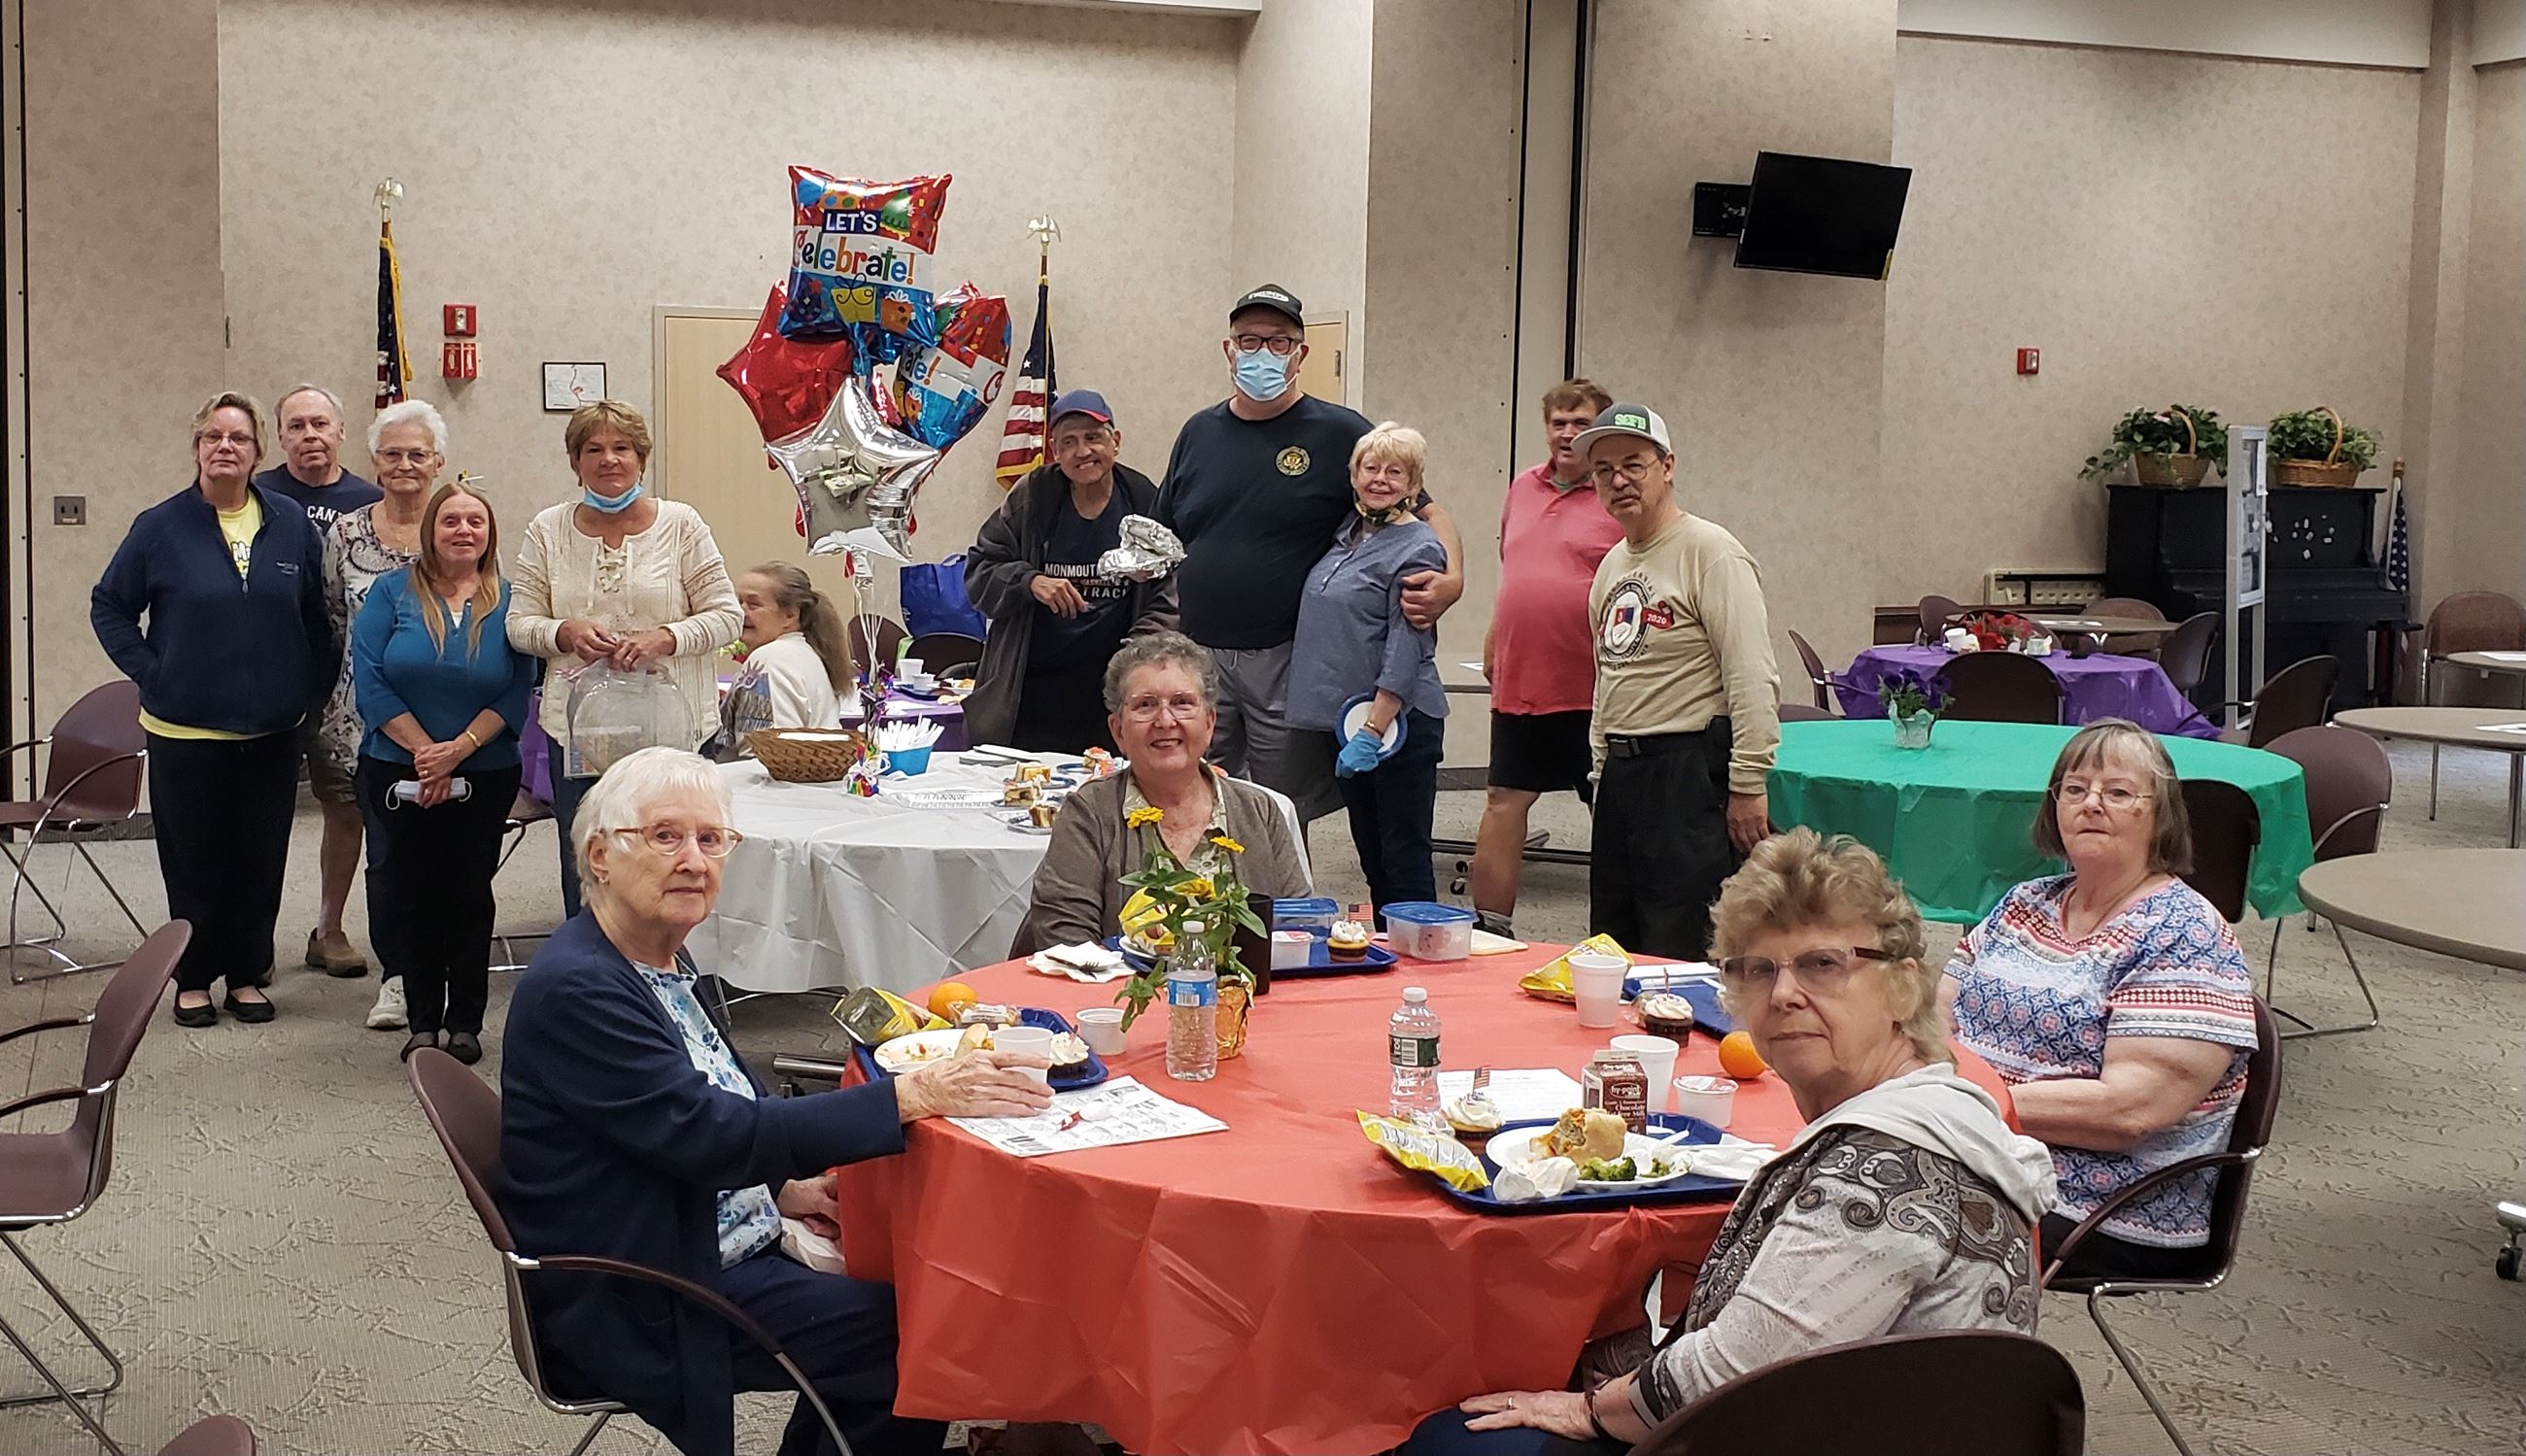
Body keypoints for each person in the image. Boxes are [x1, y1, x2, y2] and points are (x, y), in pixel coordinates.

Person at [1407, 830, 2055, 1454]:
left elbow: (1729, 1371)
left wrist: (1585, 1407)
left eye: (1823, 964)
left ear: (1903, 984)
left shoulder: (1888, 1168)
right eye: (1757, 969)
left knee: (1449, 1436)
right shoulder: (1943, 1117)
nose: (1784, 992)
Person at [500, 746, 1053, 1456]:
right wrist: (909, 1094)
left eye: (711, 839)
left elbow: (696, 1107)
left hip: (692, 1227)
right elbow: (710, 1133)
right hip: (648, 1286)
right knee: (924, 1333)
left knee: (922, 1277)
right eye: (665, 836)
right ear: (600, 853)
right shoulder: (581, 988)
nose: (694, 859)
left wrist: (781, 1187)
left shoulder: (650, 954)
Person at [1942, 719, 2262, 1280]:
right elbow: (1933, 1017)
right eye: (2074, 788)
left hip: (2106, 1200)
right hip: (1977, 1149)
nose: (2091, 803)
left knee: (1884, 1218)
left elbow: (2128, 1112)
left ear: (2159, 814)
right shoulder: (2025, 903)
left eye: (2117, 792)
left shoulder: (2183, 935)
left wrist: (1956, 1106)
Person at [1155, 283, 1464, 822]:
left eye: (1278, 343)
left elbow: (1429, 512)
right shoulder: (1198, 432)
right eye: (1248, 341)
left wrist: (1452, 580)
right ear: (1228, 351)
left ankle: (1282, 908)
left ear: (1302, 353)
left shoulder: (1340, 432)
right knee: (1194, 795)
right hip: (1200, 653)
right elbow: (1163, 533)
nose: (1261, 354)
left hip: (1286, 656)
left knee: (1282, 808)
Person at [91, 391, 330, 1027]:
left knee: (260, 854)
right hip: (184, 727)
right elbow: (109, 606)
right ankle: (193, 977)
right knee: (194, 856)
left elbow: (315, 615)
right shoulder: (159, 526)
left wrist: (308, 686)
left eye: (240, 438)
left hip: (274, 729)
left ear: (257, 452)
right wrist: (153, 672)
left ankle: (248, 973)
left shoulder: (288, 523)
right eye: (213, 437)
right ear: (197, 448)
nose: (226, 446)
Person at [508, 400, 740, 919]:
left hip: (672, 732)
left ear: (641, 459)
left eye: (622, 449)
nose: (609, 459)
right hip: (579, 737)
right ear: (575, 463)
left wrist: (667, 637)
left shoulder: (682, 525)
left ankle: (667, 975)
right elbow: (519, 624)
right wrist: (562, 631)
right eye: (594, 449)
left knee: (669, 860)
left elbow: (727, 616)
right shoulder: (547, 530)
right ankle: (590, 978)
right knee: (592, 862)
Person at [1578, 402, 1779, 960]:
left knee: (1679, 946)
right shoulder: (1612, 566)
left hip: (1688, 773)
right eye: (1603, 470)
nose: (1618, 480)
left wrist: (1748, 780)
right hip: (1623, 777)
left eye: (1634, 464)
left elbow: (1752, 674)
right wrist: (1601, 772)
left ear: (1668, 466)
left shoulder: (1710, 553)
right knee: (1614, 944)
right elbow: (1608, 679)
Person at [353, 481, 533, 1066]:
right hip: (394, 769)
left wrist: (456, 749)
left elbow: (515, 689)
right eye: (450, 520)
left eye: (474, 522)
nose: (463, 530)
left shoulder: (510, 600)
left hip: (484, 770)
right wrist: (427, 751)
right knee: (411, 893)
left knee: (468, 895)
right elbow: (371, 678)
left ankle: (466, 1022)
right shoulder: (391, 592)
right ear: (431, 530)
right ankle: (423, 1020)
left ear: (489, 534)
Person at [1012, 632, 1311, 955]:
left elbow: (1297, 927)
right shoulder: (1089, 813)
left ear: (1210, 723)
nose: (1165, 721)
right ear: (1118, 731)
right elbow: (1067, 943)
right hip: (1117, 1000)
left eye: (1182, 703)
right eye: (1145, 706)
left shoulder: (1260, 811)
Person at [1470, 380, 1618, 936]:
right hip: (1523, 678)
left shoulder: (1617, 495)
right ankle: (1490, 929)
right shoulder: (1522, 487)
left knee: (1610, 815)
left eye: (1580, 423)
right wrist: (1492, 636)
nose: (1567, 433)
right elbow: (1517, 569)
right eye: (1558, 422)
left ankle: (1616, 934)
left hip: (1595, 685)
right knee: (1503, 800)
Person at [1287, 423, 1450, 916]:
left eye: (1394, 471)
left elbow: (1407, 644)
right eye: (1370, 468)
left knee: (1404, 859)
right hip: (1355, 723)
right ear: (1354, 476)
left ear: (1414, 483)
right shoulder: (1347, 535)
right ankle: (1389, 958)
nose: (1380, 480)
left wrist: (1375, 726)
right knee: (1374, 858)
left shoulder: (1419, 547)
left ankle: (1426, 965)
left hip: (1397, 723)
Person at [965, 389, 1179, 751]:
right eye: (1070, 442)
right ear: (1056, 452)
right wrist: (1029, 582)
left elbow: (1167, 602)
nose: (1083, 451)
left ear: (1116, 442)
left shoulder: (1145, 503)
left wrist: (1133, 661)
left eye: (1093, 438)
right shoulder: (1032, 499)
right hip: (1029, 695)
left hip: (1113, 698)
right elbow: (979, 573)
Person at [257, 384, 384, 979]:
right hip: (273, 682)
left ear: (340, 431)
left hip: (347, 690)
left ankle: (329, 929)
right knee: (261, 814)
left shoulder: (371, 502)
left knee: (344, 811)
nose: (310, 435)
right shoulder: (256, 498)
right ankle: (248, 937)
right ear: (279, 437)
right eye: (296, 425)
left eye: (320, 424)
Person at [324, 399, 439, 1032]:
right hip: (367, 725)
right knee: (389, 856)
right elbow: (334, 615)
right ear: (374, 461)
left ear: (439, 461)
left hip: (453, 726)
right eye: (392, 454)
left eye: (417, 453)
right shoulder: (345, 533)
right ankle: (396, 978)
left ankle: (444, 970)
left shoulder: (460, 529)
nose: (404, 464)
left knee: (450, 856)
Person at [718, 562, 847, 754]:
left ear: (790, 615)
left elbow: (765, 753)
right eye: (738, 603)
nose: (741, 612)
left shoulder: (770, 659)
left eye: (753, 604)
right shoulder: (804, 652)